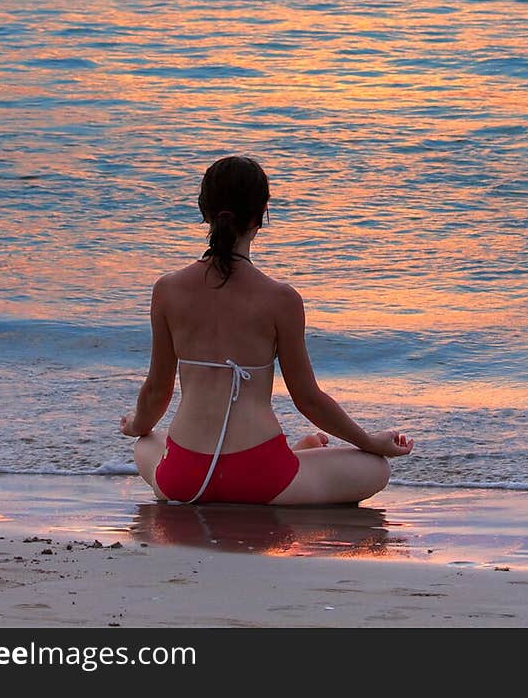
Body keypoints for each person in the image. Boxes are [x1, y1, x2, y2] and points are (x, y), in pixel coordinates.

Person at [121, 154, 414, 505]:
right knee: (376, 469)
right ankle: (298, 455)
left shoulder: (167, 289)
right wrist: (368, 441)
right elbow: (308, 399)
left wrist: (137, 425)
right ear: (262, 214)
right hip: (262, 477)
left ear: (204, 211)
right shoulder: (280, 299)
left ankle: (297, 453)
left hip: (184, 479)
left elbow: (156, 390)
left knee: (147, 443)